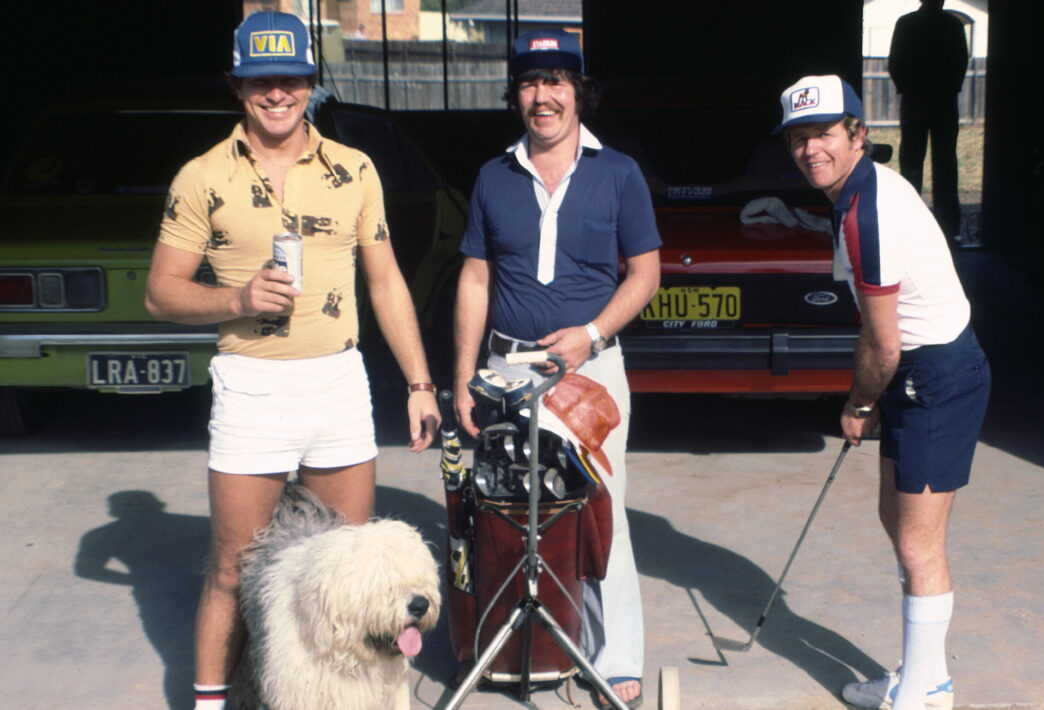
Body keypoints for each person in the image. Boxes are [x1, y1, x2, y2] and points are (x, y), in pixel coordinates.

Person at [143, 12, 440, 710]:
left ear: (313, 81)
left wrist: (420, 382)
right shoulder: (201, 177)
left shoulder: (353, 168)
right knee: (231, 571)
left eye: (291, 80)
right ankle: (214, 704)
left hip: (337, 382)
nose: (277, 94)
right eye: (260, 81)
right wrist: (238, 297)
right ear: (235, 86)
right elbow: (160, 295)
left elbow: (387, 282)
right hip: (253, 386)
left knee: (349, 568)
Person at [451, 29, 661, 708]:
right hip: (505, 368)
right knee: (502, 507)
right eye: (530, 83)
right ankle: (509, 645)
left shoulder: (619, 172)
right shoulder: (493, 176)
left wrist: (592, 335)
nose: (544, 97)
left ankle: (617, 655)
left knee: (601, 511)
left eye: (557, 82)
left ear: (579, 92)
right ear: (516, 95)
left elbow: (646, 273)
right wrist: (461, 376)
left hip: (589, 372)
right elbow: (475, 280)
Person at [774, 75, 990, 710]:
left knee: (918, 543)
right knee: (894, 522)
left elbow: (883, 346)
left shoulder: (867, 214)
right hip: (915, 372)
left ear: (857, 135)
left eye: (823, 135)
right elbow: (878, 336)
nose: (811, 150)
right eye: (798, 140)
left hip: (937, 375)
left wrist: (858, 405)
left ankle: (927, 692)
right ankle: (918, 673)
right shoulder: (850, 195)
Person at [888, 0, 969, 243]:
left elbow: (895, 63)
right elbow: (960, 62)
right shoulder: (952, 24)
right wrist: (947, 90)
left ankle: (909, 224)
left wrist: (910, 90)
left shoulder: (907, 23)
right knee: (945, 163)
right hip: (943, 102)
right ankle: (948, 227)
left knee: (911, 161)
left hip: (915, 102)